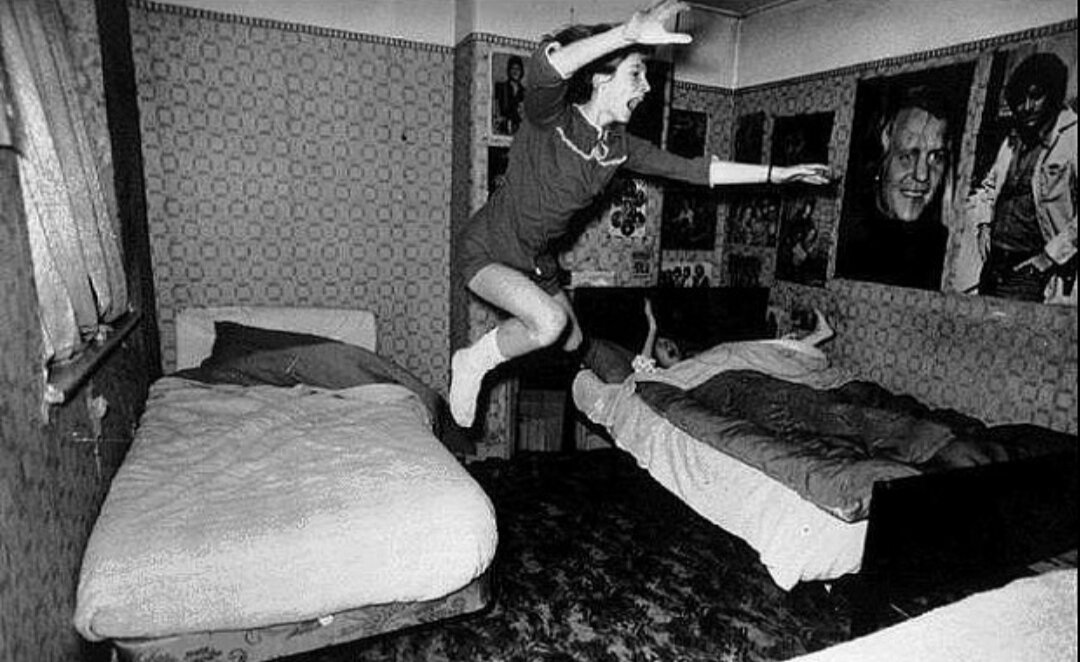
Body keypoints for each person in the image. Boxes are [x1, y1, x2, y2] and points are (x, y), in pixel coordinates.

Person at [450, 0, 831, 428]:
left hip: (538, 260)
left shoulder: (619, 147)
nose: (646, 86)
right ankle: (471, 361)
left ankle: (618, 384)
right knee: (551, 323)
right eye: (636, 73)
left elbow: (696, 170)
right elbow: (547, 68)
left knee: (574, 340)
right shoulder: (549, 118)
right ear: (600, 78)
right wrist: (625, 34)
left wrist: (777, 173)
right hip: (489, 248)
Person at [966, 52, 1077, 304]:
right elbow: (990, 186)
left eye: (1036, 96)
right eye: (1020, 99)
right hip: (994, 264)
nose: (1026, 107)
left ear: (1053, 95)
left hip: (1031, 272)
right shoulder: (1014, 137)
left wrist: (1049, 257)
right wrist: (984, 224)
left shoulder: (1072, 137)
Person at [837, 87, 954, 290]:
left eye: (936, 157)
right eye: (907, 155)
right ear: (881, 154)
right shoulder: (843, 234)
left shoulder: (945, 249)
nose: (922, 175)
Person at [633, 297, 833, 374]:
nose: (668, 345)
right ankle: (815, 337)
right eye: (662, 348)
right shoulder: (671, 376)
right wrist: (652, 328)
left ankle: (817, 336)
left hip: (734, 355)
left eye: (666, 342)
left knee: (771, 349)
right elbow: (641, 370)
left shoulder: (691, 356)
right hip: (734, 368)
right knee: (773, 353)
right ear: (657, 363)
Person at [494, 55, 526, 135]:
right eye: (513, 69)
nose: (515, 72)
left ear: (521, 71)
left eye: (518, 69)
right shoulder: (501, 88)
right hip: (502, 130)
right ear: (509, 70)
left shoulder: (525, 92)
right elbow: (495, 108)